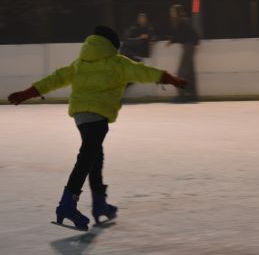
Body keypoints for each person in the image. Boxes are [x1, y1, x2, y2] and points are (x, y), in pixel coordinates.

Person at [8, 26, 187, 231]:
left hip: (81, 117)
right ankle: (67, 205)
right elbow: (143, 72)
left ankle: (99, 203)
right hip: (98, 117)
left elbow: (55, 78)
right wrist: (171, 79)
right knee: (87, 158)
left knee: (94, 157)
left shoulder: (80, 64)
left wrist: (26, 93)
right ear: (112, 45)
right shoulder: (117, 63)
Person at [167, 4, 199, 103]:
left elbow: (181, 35)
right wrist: (172, 41)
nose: (171, 13)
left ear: (178, 12)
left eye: (173, 11)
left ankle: (182, 95)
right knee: (189, 72)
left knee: (182, 72)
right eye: (171, 11)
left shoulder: (182, 21)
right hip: (190, 46)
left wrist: (173, 40)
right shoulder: (183, 21)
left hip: (188, 46)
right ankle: (192, 95)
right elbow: (181, 35)